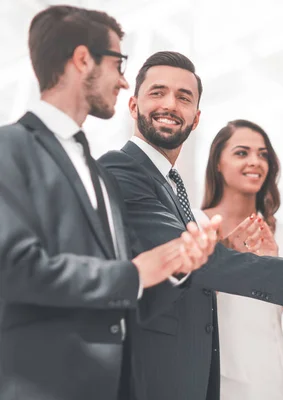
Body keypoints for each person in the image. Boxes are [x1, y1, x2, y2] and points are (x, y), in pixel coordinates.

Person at [98, 51, 283, 400]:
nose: (171, 104)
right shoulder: (122, 170)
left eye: (184, 97)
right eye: (157, 92)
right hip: (156, 379)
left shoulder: (171, 186)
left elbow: (188, 270)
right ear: (133, 106)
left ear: (196, 117)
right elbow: (187, 261)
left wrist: (229, 250)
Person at [0, 6, 217, 400]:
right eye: (118, 65)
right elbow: (14, 269)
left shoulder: (98, 172)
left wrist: (175, 268)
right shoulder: (8, 148)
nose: (122, 82)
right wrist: (133, 275)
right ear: (83, 59)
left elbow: (125, 303)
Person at [199, 119, 283, 400]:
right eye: (242, 152)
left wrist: (278, 271)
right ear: (217, 163)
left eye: (263, 154)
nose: (255, 161)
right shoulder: (193, 225)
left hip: (272, 384)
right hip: (209, 380)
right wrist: (225, 257)